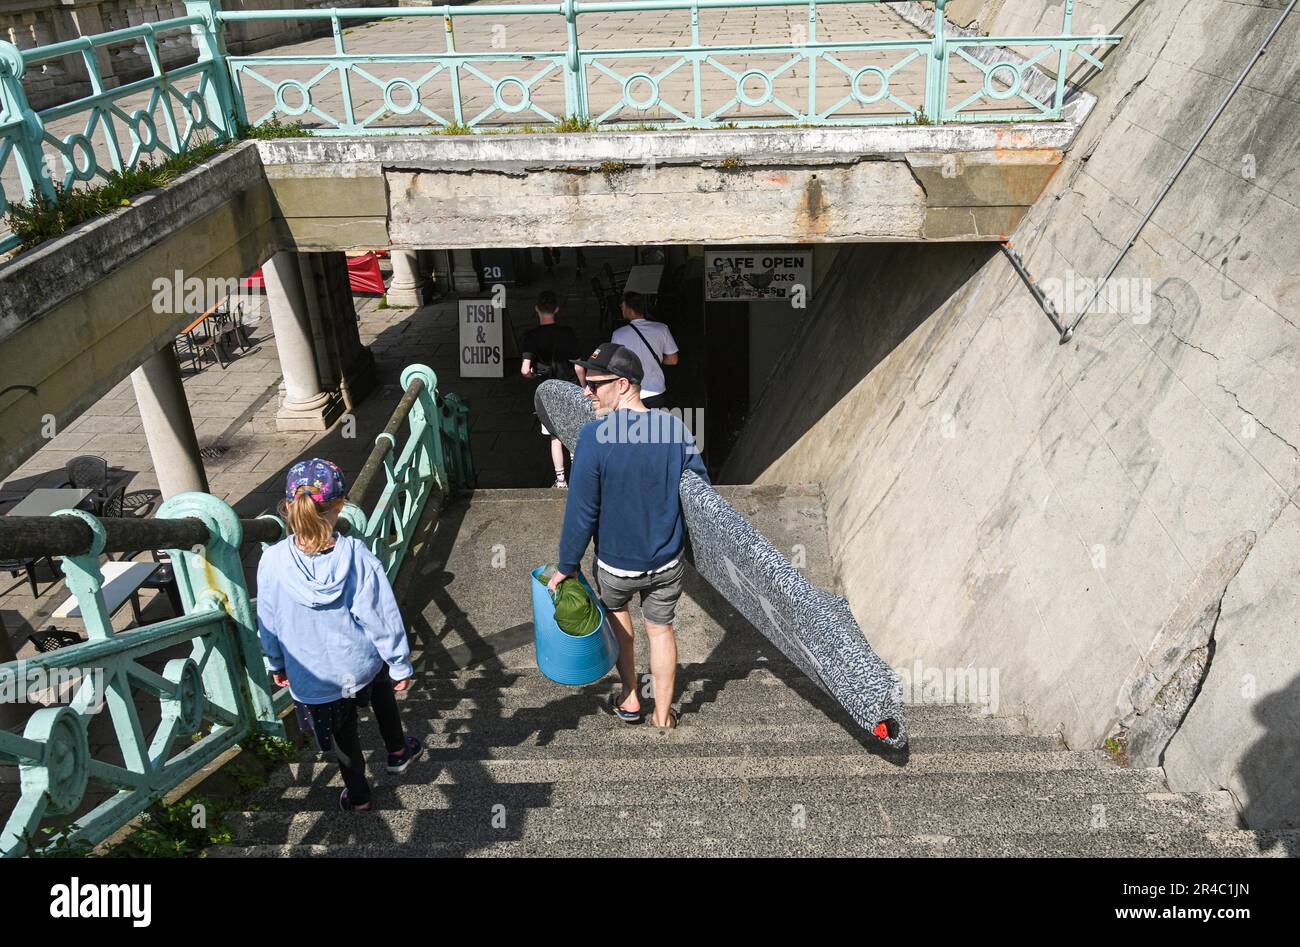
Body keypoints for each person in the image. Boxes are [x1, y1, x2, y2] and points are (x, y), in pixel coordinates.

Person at [547, 343, 708, 729]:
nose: (586, 392)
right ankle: (664, 716)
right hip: (667, 560)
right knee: (661, 630)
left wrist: (566, 567)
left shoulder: (594, 437)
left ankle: (631, 698)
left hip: (616, 564)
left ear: (622, 385)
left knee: (620, 622)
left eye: (594, 384)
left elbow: (582, 511)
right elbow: (700, 491)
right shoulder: (673, 427)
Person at [256, 458, 422, 813]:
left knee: (343, 734)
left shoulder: (271, 562)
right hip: (359, 665)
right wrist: (399, 664)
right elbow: (380, 616)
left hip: (312, 676)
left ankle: (359, 796)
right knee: (379, 681)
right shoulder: (355, 556)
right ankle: (397, 751)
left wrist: (276, 662)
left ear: (288, 507)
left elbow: (267, 620)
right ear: (341, 504)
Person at [521, 290, 581, 488]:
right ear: (556, 309)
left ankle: (561, 480)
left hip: (547, 392)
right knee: (572, 434)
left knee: (555, 438)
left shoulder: (530, 337)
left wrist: (532, 375)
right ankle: (578, 478)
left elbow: (525, 370)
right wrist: (584, 387)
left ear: (536, 309)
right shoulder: (568, 333)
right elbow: (579, 365)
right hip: (570, 388)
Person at [612, 291, 678, 408]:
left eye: (622, 306)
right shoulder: (662, 329)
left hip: (631, 393)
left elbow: (615, 366)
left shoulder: (618, 335)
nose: (622, 309)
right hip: (657, 390)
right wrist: (655, 359)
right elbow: (673, 360)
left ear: (629, 310)